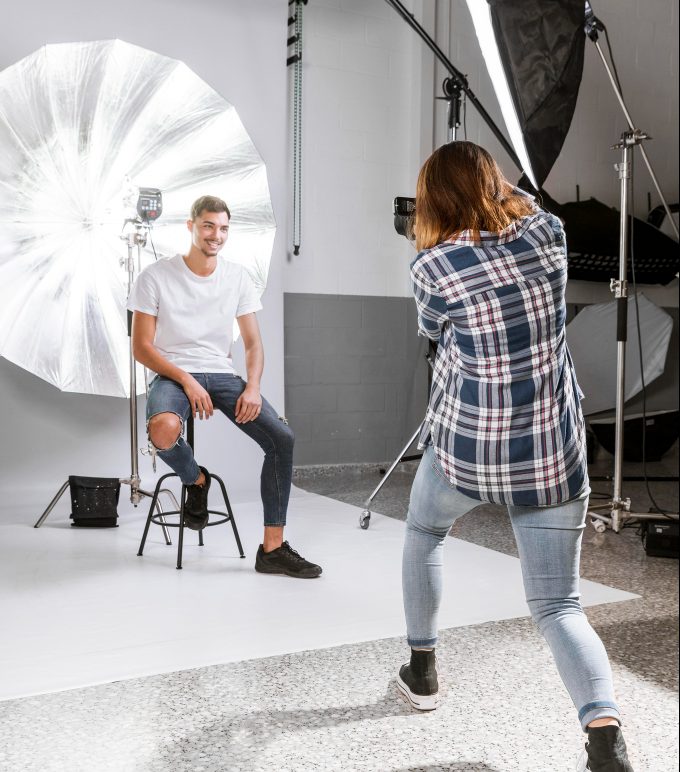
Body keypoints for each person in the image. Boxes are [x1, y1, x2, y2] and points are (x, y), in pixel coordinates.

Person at [397, 142, 633, 771]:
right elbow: (528, 207)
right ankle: (605, 739)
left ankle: (422, 671)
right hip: (552, 453)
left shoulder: (432, 267)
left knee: (424, 532)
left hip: (468, 451)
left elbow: (432, 331)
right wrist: (502, 197)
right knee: (559, 606)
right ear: (493, 184)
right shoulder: (548, 236)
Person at [128, 195, 321, 579]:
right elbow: (141, 347)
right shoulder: (155, 275)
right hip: (172, 374)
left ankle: (273, 550)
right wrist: (184, 379)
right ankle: (196, 480)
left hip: (221, 374)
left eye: (223, 228)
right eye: (208, 226)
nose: (216, 235)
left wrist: (252, 387)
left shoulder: (236, 277)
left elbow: (252, 342)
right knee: (163, 430)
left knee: (281, 438)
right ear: (191, 226)